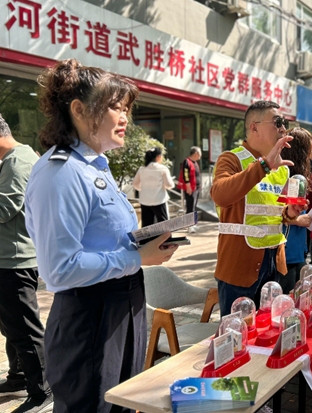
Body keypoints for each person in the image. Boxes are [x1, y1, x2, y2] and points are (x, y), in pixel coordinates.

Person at [25, 58, 178, 413]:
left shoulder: (96, 166)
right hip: (90, 315)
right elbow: (59, 269)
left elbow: (103, 237)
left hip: (124, 304)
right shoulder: (61, 172)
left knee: (123, 402)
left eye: (126, 109)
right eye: (115, 107)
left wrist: (142, 245)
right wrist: (136, 257)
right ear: (78, 109)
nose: (125, 118)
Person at [210, 101, 303, 316]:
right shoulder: (232, 159)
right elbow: (220, 195)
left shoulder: (282, 169)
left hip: (275, 263)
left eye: (284, 123)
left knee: (269, 328)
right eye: (277, 122)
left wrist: (289, 213)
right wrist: (263, 165)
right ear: (254, 127)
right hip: (239, 264)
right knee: (237, 331)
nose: (283, 129)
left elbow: (274, 213)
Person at [0, 114, 51, 413]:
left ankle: (43, 391)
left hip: (14, 260)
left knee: (25, 330)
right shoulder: (13, 159)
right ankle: (19, 376)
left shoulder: (18, 161)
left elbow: (4, 208)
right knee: (12, 326)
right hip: (8, 257)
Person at [279, 127, 312, 293]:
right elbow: (277, 210)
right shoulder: (287, 175)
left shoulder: (297, 176)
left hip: (297, 247)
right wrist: (298, 220)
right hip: (288, 248)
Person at [133, 147, 175, 227]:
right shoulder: (163, 169)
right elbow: (169, 185)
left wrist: (143, 189)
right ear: (158, 157)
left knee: (147, 226)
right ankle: (164, 236)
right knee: (164, 225)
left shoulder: (142, 169)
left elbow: (135, 184)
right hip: (160, 200)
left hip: (145, 201)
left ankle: (148, 236)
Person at [178, 146, 202, 214]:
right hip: (191, 188)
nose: (200, 155)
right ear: (196, 153)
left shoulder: (195, 162)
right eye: (200, 153)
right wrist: (188, 187)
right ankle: (189, 220)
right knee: (190, 207)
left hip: (196, 188)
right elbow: (185, 175)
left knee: (194, 206)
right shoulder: (187, 161)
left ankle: (193, 219)